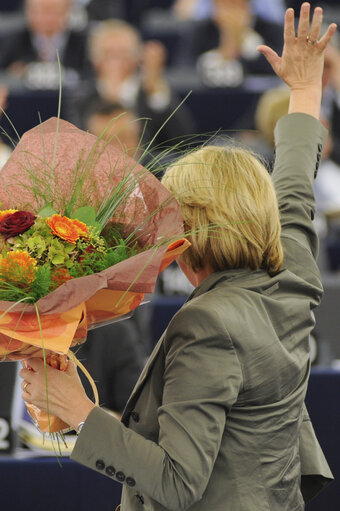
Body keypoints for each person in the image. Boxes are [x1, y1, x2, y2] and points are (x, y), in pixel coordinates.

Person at [20, 4, 335, 510]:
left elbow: (176, 483)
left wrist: (77, 410)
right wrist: (304, 92)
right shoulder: (291, 273)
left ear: (189, 232)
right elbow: (295, 183)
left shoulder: (207, 325)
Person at [68, 19, 196, 146]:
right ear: (94, 59)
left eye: (123, 52)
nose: (115, 60)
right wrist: (110, 100)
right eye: (108, 53)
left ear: (137, 56)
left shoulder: (151, 94)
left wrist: (156, 93)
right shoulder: (81, 99)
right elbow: (78, 146)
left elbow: (183, 141)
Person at [0, 0, 88, 84]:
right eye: (41, 12)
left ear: (67, 12)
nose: (47, 18)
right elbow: (4, 73)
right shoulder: (13, 41)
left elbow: (88, 77)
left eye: (54, 12)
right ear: (28, 12)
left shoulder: (83, 43)